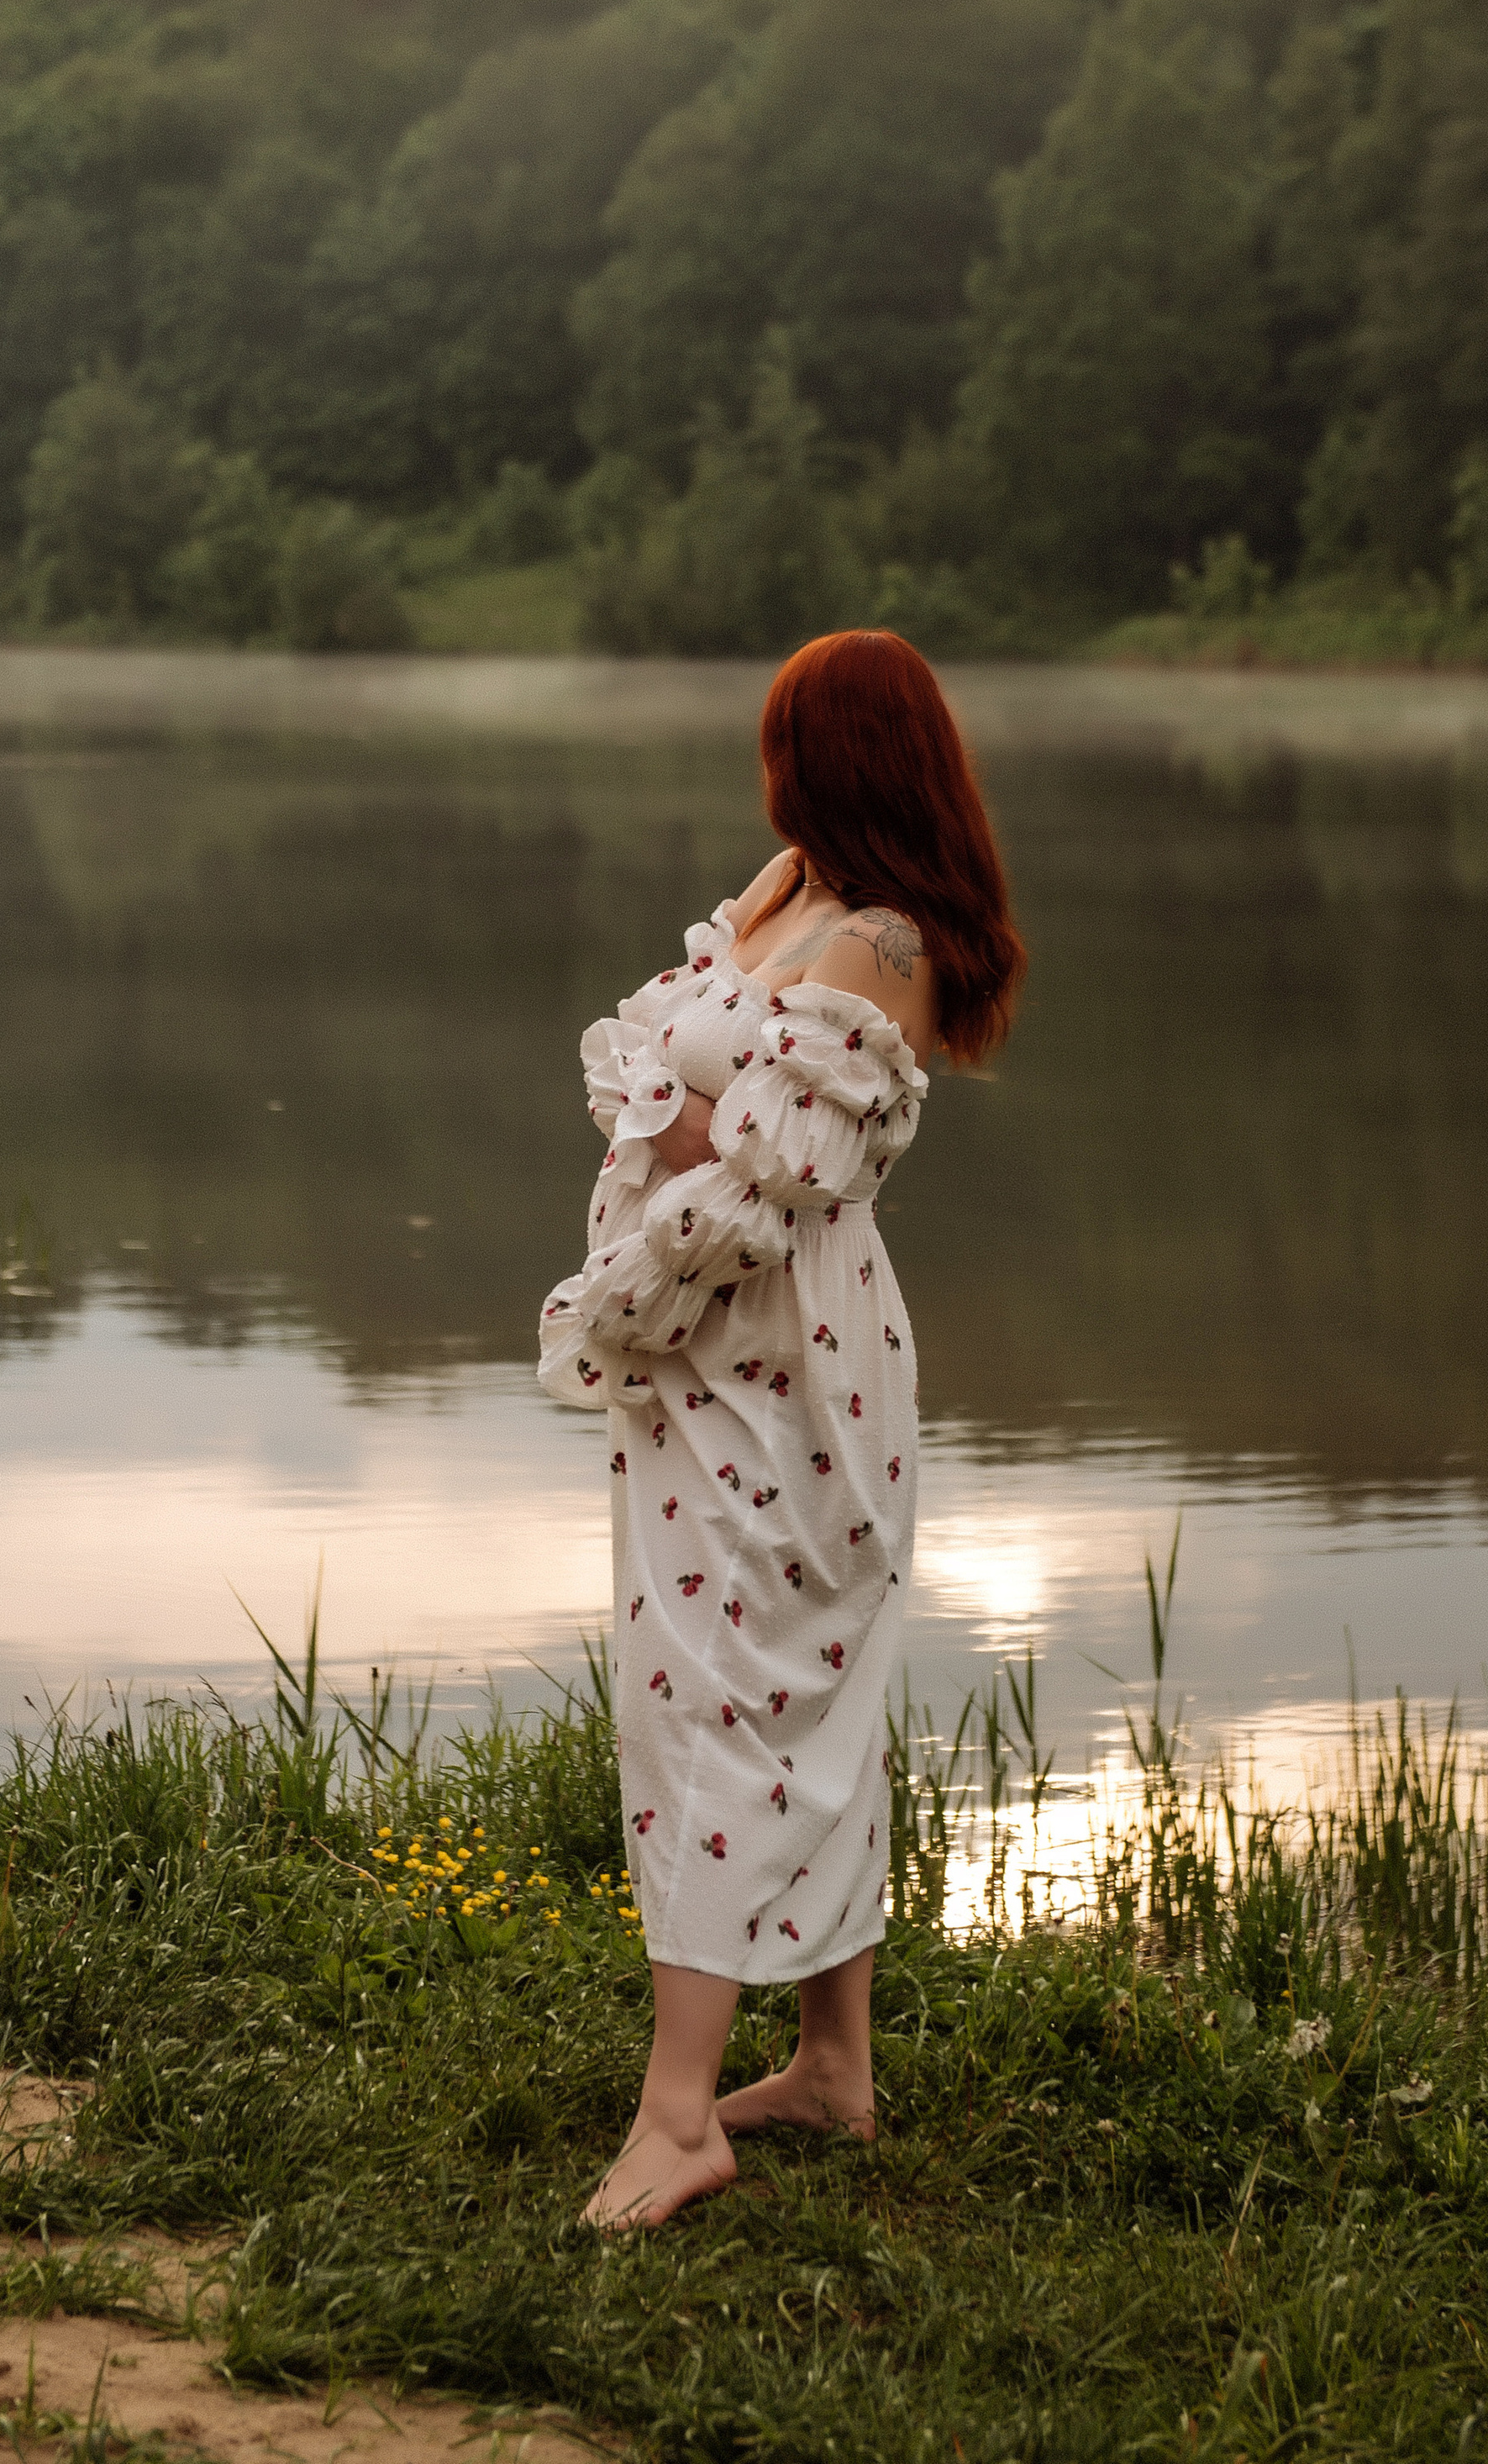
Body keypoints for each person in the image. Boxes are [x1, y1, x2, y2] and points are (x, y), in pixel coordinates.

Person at [537, 628, 1027, 2230]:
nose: (769, 777)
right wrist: (675, 1115)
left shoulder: (885, 945)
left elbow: (765, 1177)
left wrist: (668, 1131)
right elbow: (662, 1082)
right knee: (759, 1687)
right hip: (709, 1352)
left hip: (784, 1360)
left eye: (788, 746)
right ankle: (832, 2069)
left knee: (725, 1696)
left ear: (841, 759)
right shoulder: (786, 891)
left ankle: (679, 2117)